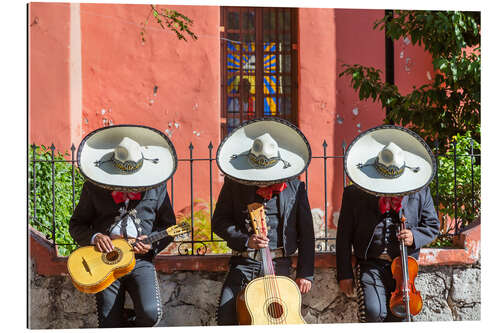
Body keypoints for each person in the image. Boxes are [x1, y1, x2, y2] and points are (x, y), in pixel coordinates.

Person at [69, 125, 178, 327]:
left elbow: (169, 226)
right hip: (103, 262)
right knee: (108, 322)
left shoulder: (157, 187)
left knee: (151, 313)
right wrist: (95, 237)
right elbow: (76, 225)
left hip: (141, 261)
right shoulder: (93, 188)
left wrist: (151, 246)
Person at [213, 117, 315, 325]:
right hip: (244, 262)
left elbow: (307, 234)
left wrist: (305, 273)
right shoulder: (234, 184)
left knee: (279, 321)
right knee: (226, 317)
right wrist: (245, 240)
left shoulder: (295, 188)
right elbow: (219, 222)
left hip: (280, 264)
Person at [335, 125, 440, 322]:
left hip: (404, 269)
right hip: (370, 264)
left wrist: (414, 236)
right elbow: (343, 237)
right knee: (374, 313)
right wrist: (344, 274)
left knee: (400, 316)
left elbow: (433, 226)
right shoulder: (353, 194)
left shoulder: (420, 192)